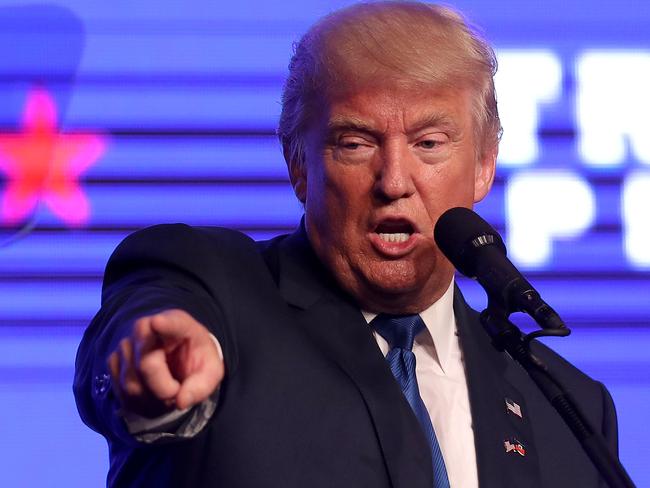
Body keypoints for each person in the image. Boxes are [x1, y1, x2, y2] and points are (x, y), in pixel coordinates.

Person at [74, 2, 619, 487]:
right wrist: (144, 373)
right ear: (297, 163)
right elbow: (142, 331)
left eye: (429, 143)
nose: (394, 180)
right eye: (355, 143)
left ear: (483, 166)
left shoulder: (571, 411)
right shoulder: (213, 291)